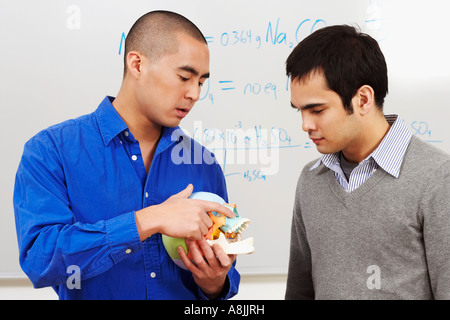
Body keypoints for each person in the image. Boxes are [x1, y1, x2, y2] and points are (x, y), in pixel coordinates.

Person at [13, 10, 240, 300]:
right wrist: (148, 220)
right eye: (184, 77)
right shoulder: (50, 150)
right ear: (137, 64)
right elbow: (39, 261)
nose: (194, 93)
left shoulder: (203, 163)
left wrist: (214, 282)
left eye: (201, 82)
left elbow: (224, 280)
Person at [285, 25, 450, 299]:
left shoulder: (437, 179)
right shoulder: (310, 180)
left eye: (317, 110)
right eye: (300, 111)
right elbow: (299, 293)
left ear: (362, 99)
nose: (305, 124)